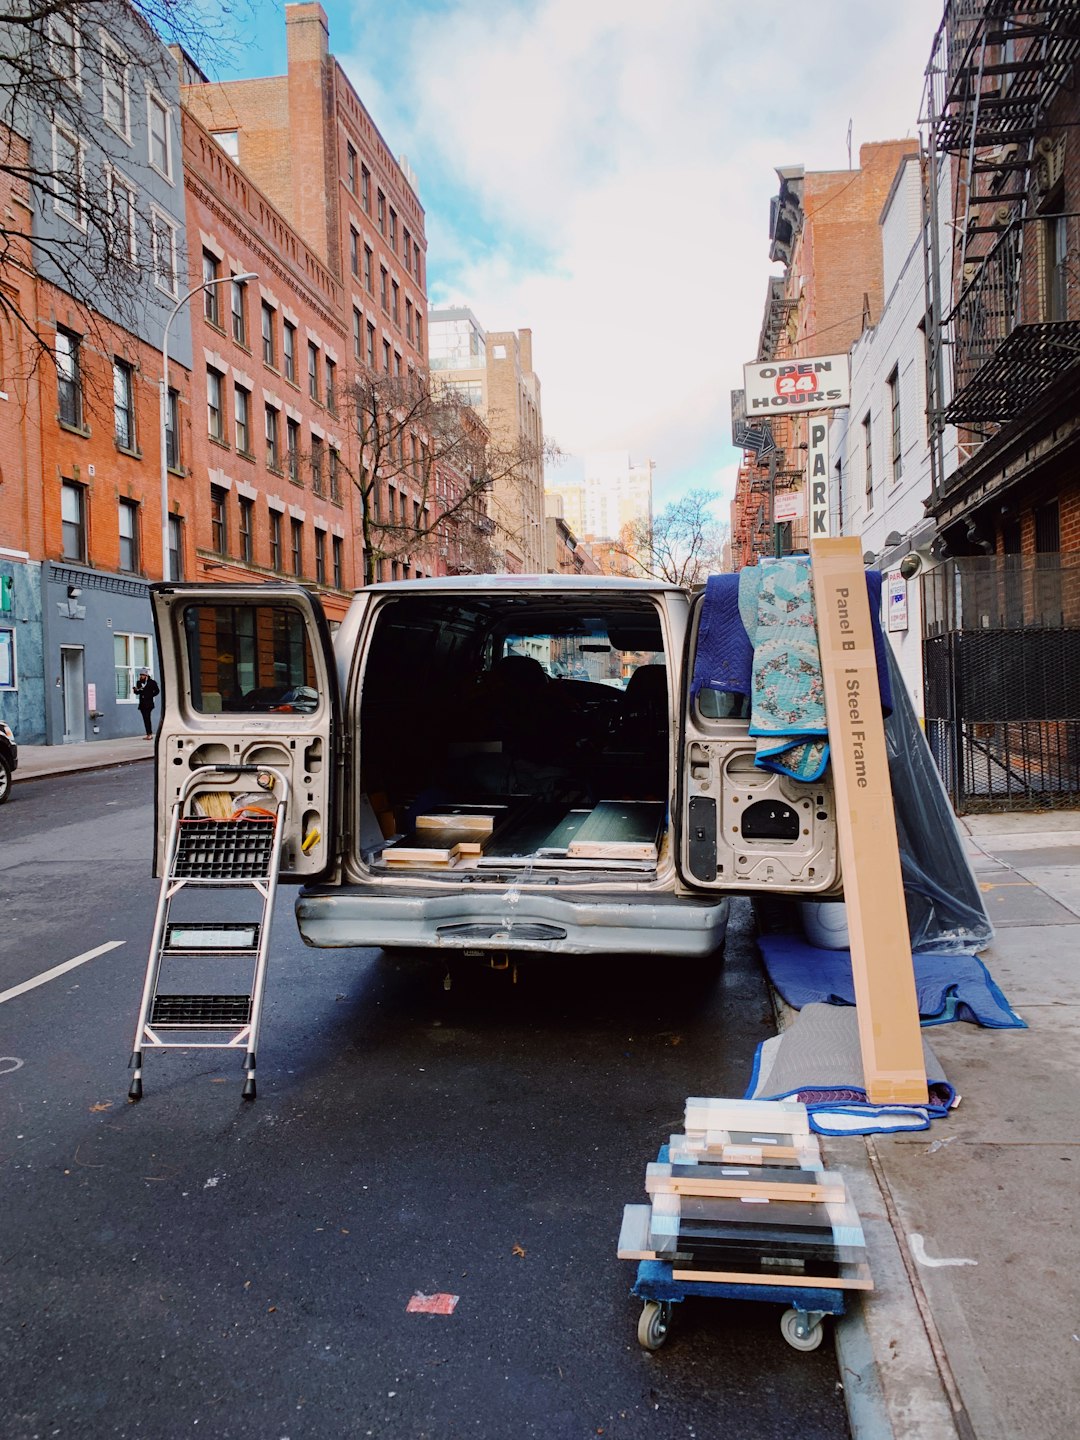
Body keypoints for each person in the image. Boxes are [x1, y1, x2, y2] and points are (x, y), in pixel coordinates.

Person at [134, 667, 159, 738]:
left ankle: (149, 734)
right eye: (140, 675)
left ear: (146, 675)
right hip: (142, 704)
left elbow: (157, 691)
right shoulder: (139, 682)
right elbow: (138, 692)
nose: (141, 676)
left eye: (142, 675)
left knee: (147, 717)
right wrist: (135, 691)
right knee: (145, 718)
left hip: (149, 703)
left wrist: (151, 695)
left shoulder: (152, 682)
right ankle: (148, 733)